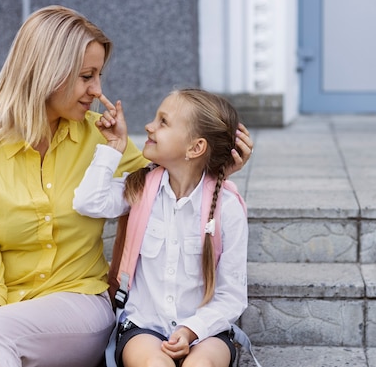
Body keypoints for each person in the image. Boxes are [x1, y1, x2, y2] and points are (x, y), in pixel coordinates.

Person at [0, 6, 253, 367]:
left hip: (77, 300)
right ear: (48, 72)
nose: (97, 90)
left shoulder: (103, 137)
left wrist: (217, 169)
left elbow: (169, 178)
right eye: (86, 76)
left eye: (98, 75)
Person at [73, 88, 249, 367]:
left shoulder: (227, 207)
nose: (148, 126)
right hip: (144, 326)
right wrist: (113, 147)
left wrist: (192, 329)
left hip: (206, 332)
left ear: (195, 148)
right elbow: (87, 202)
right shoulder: (140, 188)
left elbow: (232, 296)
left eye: (163, 122)